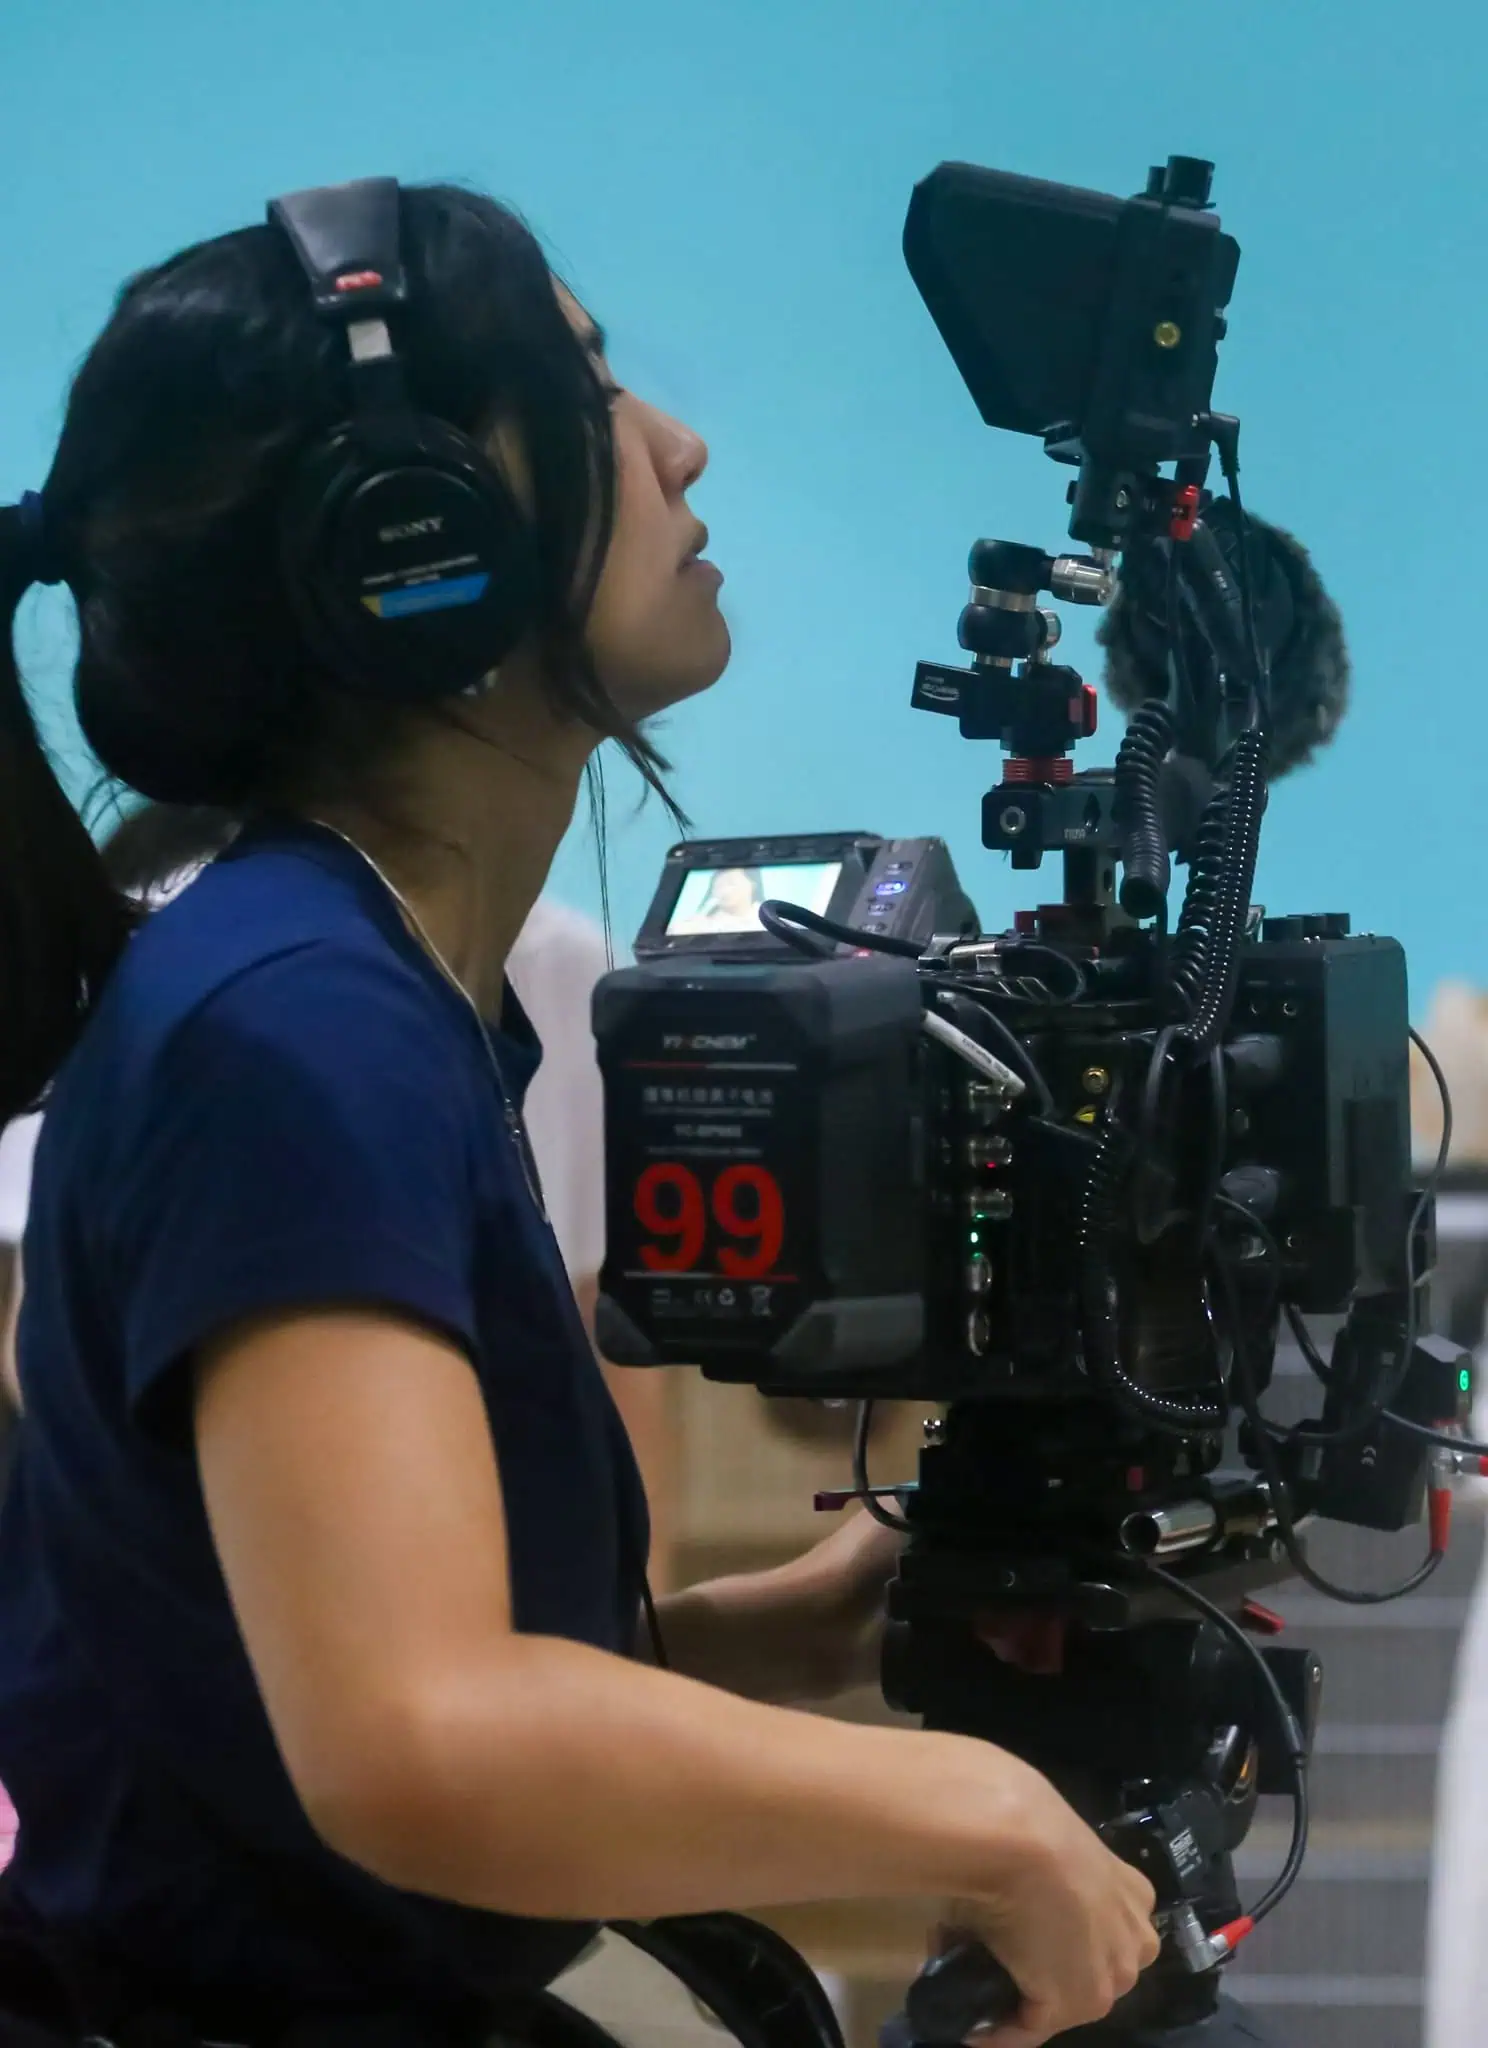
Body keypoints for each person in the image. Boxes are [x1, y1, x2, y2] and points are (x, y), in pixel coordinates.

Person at [0, 178, 1156, 2047]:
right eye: (594, 388)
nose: (677, 447)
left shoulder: (364, 984)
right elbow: (412, 1739)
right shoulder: (294, 1034)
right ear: (417, 533)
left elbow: (285, 1687)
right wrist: (982, 1810)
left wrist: (799, 1620)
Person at [668, 864, 764, 936]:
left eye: (731, 883)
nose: (724, 891)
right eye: (718, 886)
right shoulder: (702, 925)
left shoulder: (771, 917)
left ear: (752, 884)